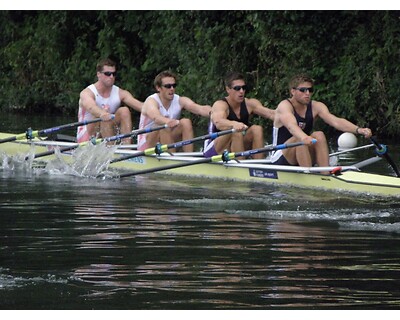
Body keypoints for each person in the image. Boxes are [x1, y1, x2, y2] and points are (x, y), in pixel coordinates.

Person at [270, 74, 372, 168]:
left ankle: (325, 173)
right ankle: (308, 175)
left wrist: (359, 130)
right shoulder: (284, 106)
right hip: (280, 156)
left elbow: (336, 121)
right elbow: (291, 126)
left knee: (319, 134)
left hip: (302, 149)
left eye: (310, 90)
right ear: (293, 91)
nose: (307, 93)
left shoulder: (316, 106)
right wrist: (303, 137)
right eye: (303, 90)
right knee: (298, 138)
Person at [203, 72, 275, 159]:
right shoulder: (220, 105)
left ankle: (258, 168)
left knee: (257, 129)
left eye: (243, 88)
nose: (241, 91)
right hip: (214, 149)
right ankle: (242, 168)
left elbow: (272, 114)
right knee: (235, 132)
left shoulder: (250, 103)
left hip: (235, 146)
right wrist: (234, 124)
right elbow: (218, 122)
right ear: (228, 89)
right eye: (237, 88)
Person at [137, 70, 211, 152]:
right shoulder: (151, 101)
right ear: (158, 88)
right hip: (146, 143)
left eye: (174, 85)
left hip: (167, 139)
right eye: (168, 86)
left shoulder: (179, 100)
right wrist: (168, 121)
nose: (172, 89)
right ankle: (172, 158)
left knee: (186, 122)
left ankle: (188, 158)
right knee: (162, 125)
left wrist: (214, 113)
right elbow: (156, 117)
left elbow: (200, 109)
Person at [77, 58, 143, 144]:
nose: (111, 77)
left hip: (107, 130)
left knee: (124, 111)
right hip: (87, 137)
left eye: (113, 74)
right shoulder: (87, 93)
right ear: (98, 74)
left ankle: (127, 148)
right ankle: (111, 149)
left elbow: (141, 106)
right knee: (103, 117)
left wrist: (157, 112)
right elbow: (91, 107)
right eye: (107, 74)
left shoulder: (120, 92)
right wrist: (102, 113)